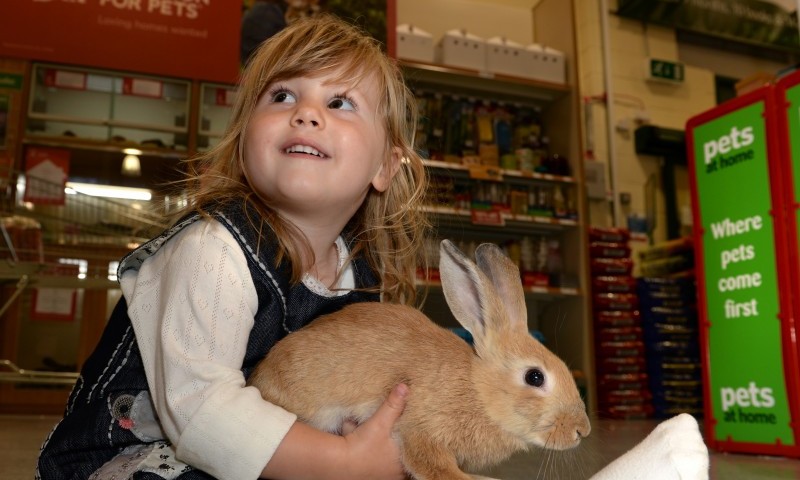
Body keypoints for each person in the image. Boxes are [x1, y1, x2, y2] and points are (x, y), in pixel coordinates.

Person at [37, 14, 429, 480]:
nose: (306, 113)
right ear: (244, 140)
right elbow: (202, 411)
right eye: (282, 96)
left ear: (385, 166)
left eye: (340, 102)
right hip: (137, 458)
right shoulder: (213, 251)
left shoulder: (361, 282)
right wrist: (343, 461)